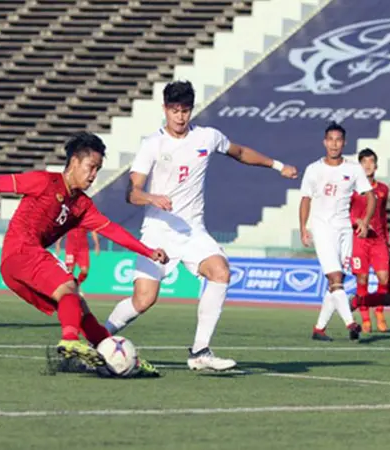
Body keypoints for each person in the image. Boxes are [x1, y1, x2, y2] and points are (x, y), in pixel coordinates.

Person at [0, 132, 168, 369]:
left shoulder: (82, 205)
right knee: (69, 288)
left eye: (98, 169)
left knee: (78, 308)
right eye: (91, 167)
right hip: (21, 252)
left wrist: (147, 251)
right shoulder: (44, 182)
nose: (94, 175)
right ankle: (70, 341)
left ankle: (115, 356)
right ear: (74, 162)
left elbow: (112, 231)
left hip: (17, 266)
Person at [104, 80, 298, 371]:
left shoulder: (207, 137)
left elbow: (241, 152)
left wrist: (278, 166)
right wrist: (151, 197)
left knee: (220, 271)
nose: (180, 117)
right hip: (158, 232)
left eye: (185, 110)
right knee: (144, 300)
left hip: (193, 231)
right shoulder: (152, 144)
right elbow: (132, 193)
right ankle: (99, 336)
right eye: (174, 110)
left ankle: (200, 351)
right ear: (164, 110)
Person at [301, 123, 373, 342]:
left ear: (344, 142)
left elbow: (370, 196)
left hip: (344, 229)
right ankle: (351, 323)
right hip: (322, 227)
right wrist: (304, 227)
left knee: (337, 281)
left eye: (338, 140)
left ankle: (319, 329)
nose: (334, 144)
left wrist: (366, 221)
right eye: (330, 139)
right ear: (324, 142)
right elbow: (305, 198)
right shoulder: (314, 169)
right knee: (335, 277)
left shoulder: (352, 169)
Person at [349, 148, 389, 333]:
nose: (367, 165)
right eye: (364, 161)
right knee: (362, 279)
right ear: (359, 165)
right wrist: (356, 222)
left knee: (384, 278)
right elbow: (345, 213)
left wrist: (386, 239)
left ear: (376, 165)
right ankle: (365, 318)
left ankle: (379, 311)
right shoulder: (352, 190)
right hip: (360, 241)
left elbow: (382, 215)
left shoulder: (383, 189)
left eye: (371, 161)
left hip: (378, 241)